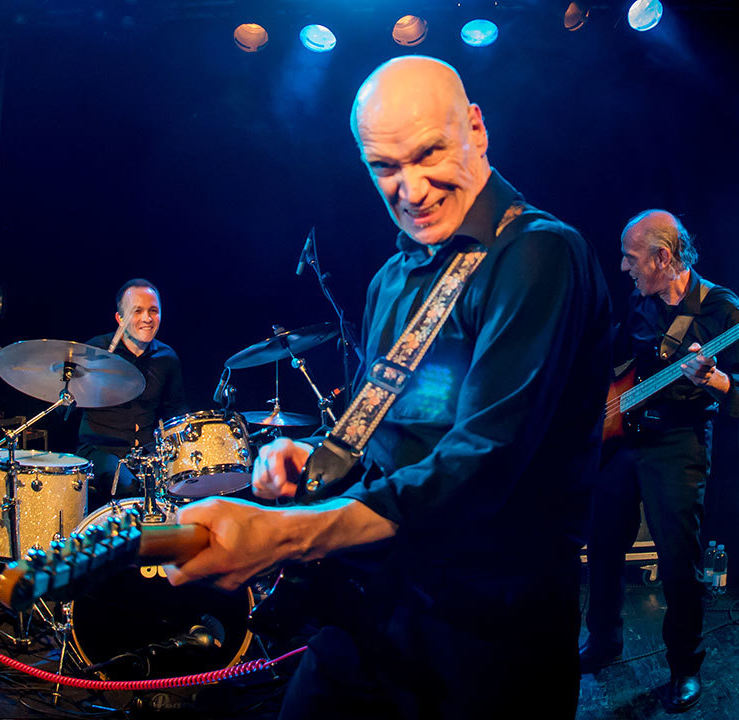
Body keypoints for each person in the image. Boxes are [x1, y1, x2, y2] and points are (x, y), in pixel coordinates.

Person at [165, 56, 611, 718]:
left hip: (488, 634)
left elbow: (481, 462)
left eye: (429, 153)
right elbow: (390, 438)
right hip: (378, 604)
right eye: (385, 167)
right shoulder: (391, 280)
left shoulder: (539, 254)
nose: (412, 188)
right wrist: (316, 460)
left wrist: (286, 535)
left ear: (477, 130)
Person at [580, 210, 739, 712]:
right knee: (603, 546)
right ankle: (604, 641)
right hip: (624, 439)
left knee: (679, 562)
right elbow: (615, 363)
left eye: (631, 257)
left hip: (678, 444)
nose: (622, 267)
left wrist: (714, 379)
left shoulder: (722, 308)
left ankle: (684, 667)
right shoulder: (640, 302)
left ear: (662, 256)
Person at [78, 278, 186, 509]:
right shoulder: (94, 352)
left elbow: (175, 410)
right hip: (101, 449)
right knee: (129, 487)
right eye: (137, 311)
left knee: (185, 484)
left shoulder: (167, 358)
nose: (147, 318)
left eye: (153, 311)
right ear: (120, 318)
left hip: (147, 452)